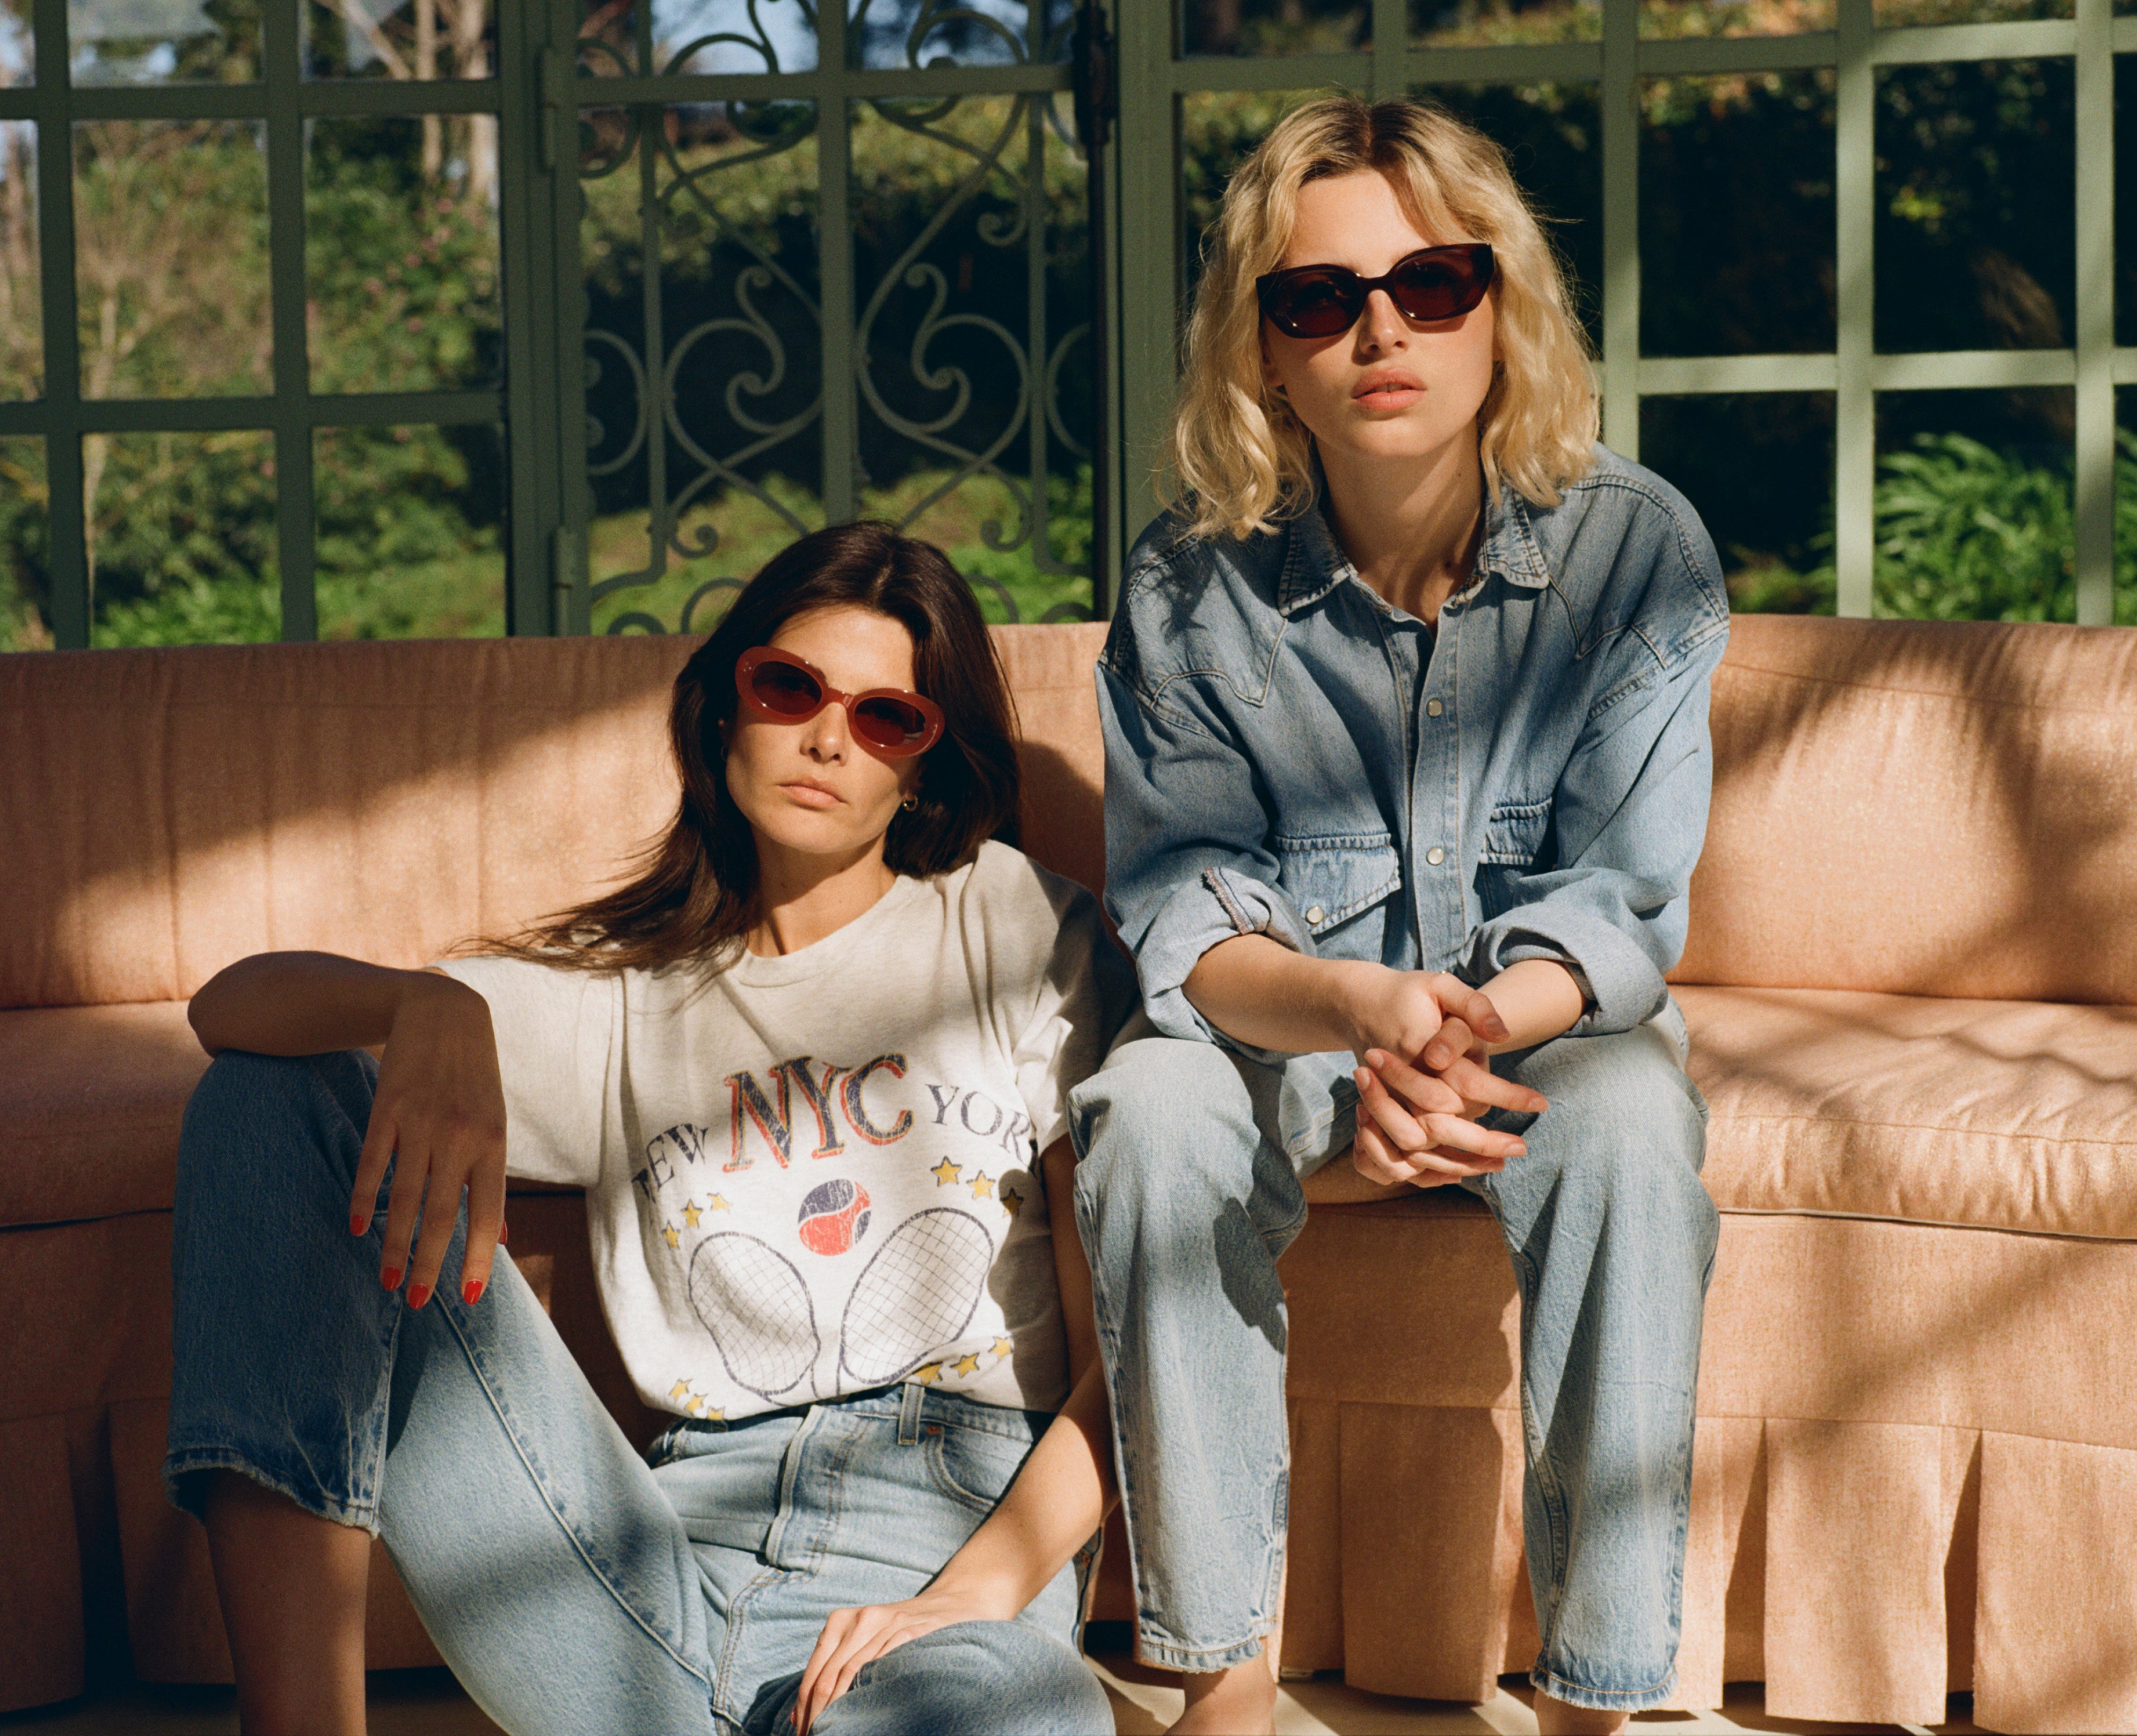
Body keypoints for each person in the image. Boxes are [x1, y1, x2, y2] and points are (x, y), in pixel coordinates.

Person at [165, 522, 1131, 1736]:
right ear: (727, 704)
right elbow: (232, 1008)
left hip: (938, 1572)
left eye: (888, 717)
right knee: (269, 1100)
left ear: (924, 768)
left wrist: (970, 1596)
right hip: (649, 1584)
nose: (829, 738)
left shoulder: (1015, 930)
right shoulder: (625, 996)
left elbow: (1128, 1355)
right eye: (790, 687)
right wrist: (426, 1003)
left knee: (1018, 1709)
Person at [1069, 97, 1727, 1735]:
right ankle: (1220, 1682)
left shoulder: (1635, 551)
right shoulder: (1184, 587)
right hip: (1293, 1043)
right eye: (1320, 299)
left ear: (1503, 310)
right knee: (1148, 1111)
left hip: (1534, 1045)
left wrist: (1466, 1030)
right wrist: (1365, 1016)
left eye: (1432, 284)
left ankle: (1592, 1703)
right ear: (1264, 351)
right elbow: (1189, 926)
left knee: (1632, 1117)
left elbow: (1622, 904)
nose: (1382, 333)